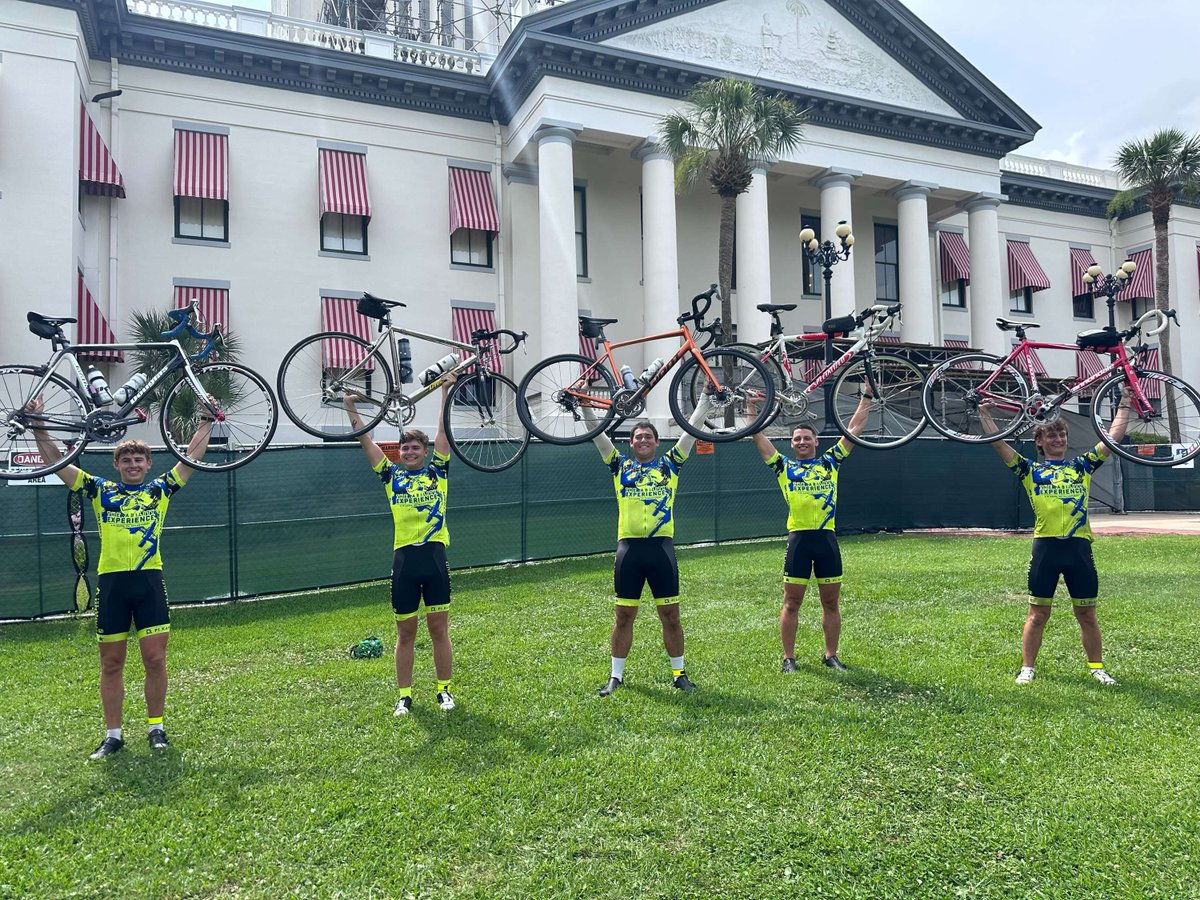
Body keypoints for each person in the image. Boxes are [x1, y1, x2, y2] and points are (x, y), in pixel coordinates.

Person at [27, 396, 216, 759]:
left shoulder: (159, 490)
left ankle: (156, 728)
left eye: (139, 459)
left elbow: (191, 457)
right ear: (116, 464)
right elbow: (57, 462)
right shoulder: (101, 490)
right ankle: (113, 735)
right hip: (112, 585)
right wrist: (38, 424)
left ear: (148, 464)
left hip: (149, 582)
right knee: (111, 663)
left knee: (155, 660)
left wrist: (207, 418)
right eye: (126, 460)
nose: (133, 464)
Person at [979, 396, 1131, 685]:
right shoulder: (1030, 471)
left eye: (1062, 434)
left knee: (1087, 614)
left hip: (1078, 548)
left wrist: (1125, 403)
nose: (1058, 438)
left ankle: (1097, 667)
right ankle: (1027, 668)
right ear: (1039, 441)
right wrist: (984, 414)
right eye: (1051, 434)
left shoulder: (1082, 467)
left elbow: (1112, 439)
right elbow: (998, 444)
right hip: (1046, 549)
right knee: (1038, 614)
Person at [586, 396, 712, 697]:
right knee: (623, 616)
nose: (643, 440)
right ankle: (616, 676)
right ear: (631, 443)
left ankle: (679, 674)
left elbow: (691, 430)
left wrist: (706, 399)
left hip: (661, 550)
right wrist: (585, 407)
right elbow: (597, 435)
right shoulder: (620, 466)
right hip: (629, 550)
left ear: (657, 442)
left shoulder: (670, 465)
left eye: (648, 436)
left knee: (671, 616)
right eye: (638, 437)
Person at [345, 378, 456, 716]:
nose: (409, 452)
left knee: (439, 630)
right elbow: (365, 441)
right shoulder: (391, 476)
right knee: (405, 634)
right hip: (404, 562)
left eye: (415, 448)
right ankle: (404, 695)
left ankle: (444, 690)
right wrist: (351, 408)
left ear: (425, 451)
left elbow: (444, 431)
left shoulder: (439, 473)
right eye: (404, 448)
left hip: (434, 559)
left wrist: (445, 391)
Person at [749, 394, 872, 673]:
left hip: (826, 540)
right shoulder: (784, 467)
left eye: (807, 438)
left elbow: (854, 429)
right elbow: (758, 437)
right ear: (791, 444)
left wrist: (866, 396)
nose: (802, 442)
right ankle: (788, 658)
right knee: (791, 602)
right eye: (797, 439)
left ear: (816, 441)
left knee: (831, 602)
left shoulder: (829, 463)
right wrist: (751, 407)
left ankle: (831, 655)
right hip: (799, 542)